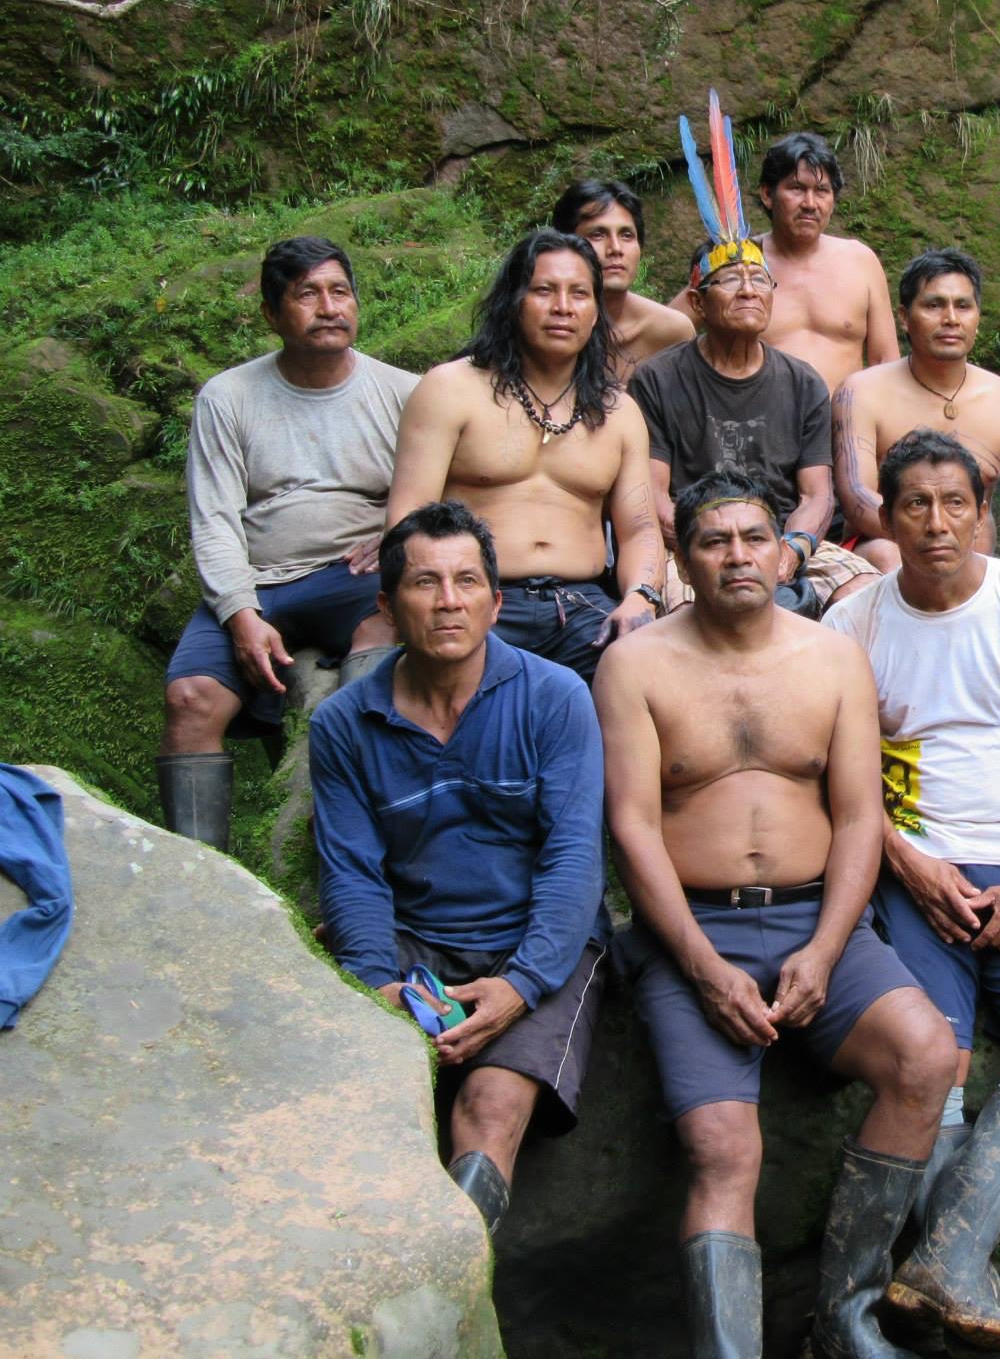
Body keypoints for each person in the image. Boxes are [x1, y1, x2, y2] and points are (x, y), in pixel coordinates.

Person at [596, 469, 956, 1359]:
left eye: (754, 537)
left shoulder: (833, 656)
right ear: (680, 554)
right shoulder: (634, 664)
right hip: (694, 934)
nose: (737, 557)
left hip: (816, 920)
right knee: (725, 1150)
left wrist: (829, 950)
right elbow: (633, 828)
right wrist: (701, 965)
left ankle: (846, 1317)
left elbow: (859, 816)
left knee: (926, 1056)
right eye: (713, 541)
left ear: (783, 547)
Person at [822, 429, 1000, 1351]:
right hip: (919, 868)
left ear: (984, 511)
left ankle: (947, 1261)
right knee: (933, 1063)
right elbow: (841, 776)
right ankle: (958, 1273)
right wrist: (907, 862)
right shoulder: (853, 624)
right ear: (885, 516)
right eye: (914, 505)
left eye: (955, 504)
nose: (936, 524)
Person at [310, 502, 609, 1238]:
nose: (449, 601)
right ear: (386, 605)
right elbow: (352, 872)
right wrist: (375, 983)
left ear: (496, 601)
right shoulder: (344, 724)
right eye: (425, 583)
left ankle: (448, 1312)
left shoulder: (555, 698)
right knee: (372, 1094)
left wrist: (521, 985)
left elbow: (574, 857)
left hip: (534, 943)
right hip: (415, 942)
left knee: (491, 1108)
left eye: (468, 582)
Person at [159, 236, 415, 850]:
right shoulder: (228, 398)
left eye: (340, 291)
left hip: (356, 577)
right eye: (307, 295)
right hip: (263, 578)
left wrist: (395, 531)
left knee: (383, 648)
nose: (328, 307)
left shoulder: (406, 392)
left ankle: (366, 844)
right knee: (191, 698)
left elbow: (442, 490)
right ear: (273, 315)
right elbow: (215, 519)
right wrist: (241, 615)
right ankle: (201, 875)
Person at [385, 227, 665, 682]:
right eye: (544, 290)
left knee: (646, 682)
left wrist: (639, 597)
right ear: (513, 301)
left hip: (582, 605)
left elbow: (639, 530)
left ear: (596, 313)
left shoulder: (619, 413)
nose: (562, 307)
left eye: (579, 294)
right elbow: (409, 517)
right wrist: (441, 600)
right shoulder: (451, 389)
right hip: (473, 600)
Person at [632, 98, 877, 618]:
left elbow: (816, 492)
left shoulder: (806, 379)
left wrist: (790, 548)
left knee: (870, 599)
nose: (748, 291)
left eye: (759, 282)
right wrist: (700, 542)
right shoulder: (658, 378)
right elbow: (650, 490)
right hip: (693, 538)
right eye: (731, 283)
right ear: (699, 303)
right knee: (675, 614)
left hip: (791, 525)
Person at [832, 248, 1000, 573]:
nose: (951, 318)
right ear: (904, 317)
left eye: (963, 306)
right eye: (934, 305)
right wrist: (937, 541)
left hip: (977, 570)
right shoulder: (861, 393)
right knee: (887, 555)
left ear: (977, 317)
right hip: (885, 559)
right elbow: (856, 497)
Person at [739, 132, 898, 396]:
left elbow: (886, 362)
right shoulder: (739, 261)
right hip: (762, 427)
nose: (810, 204)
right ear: (768, 194)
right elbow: (676, 324)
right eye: (797, 188)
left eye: (822, 191)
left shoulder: (860, 261)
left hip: (845, 427)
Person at [548, 179, 694, 380]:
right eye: (598, 234)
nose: (615, 248)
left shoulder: (671, 332)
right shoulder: (545, 326)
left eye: (627, 235)